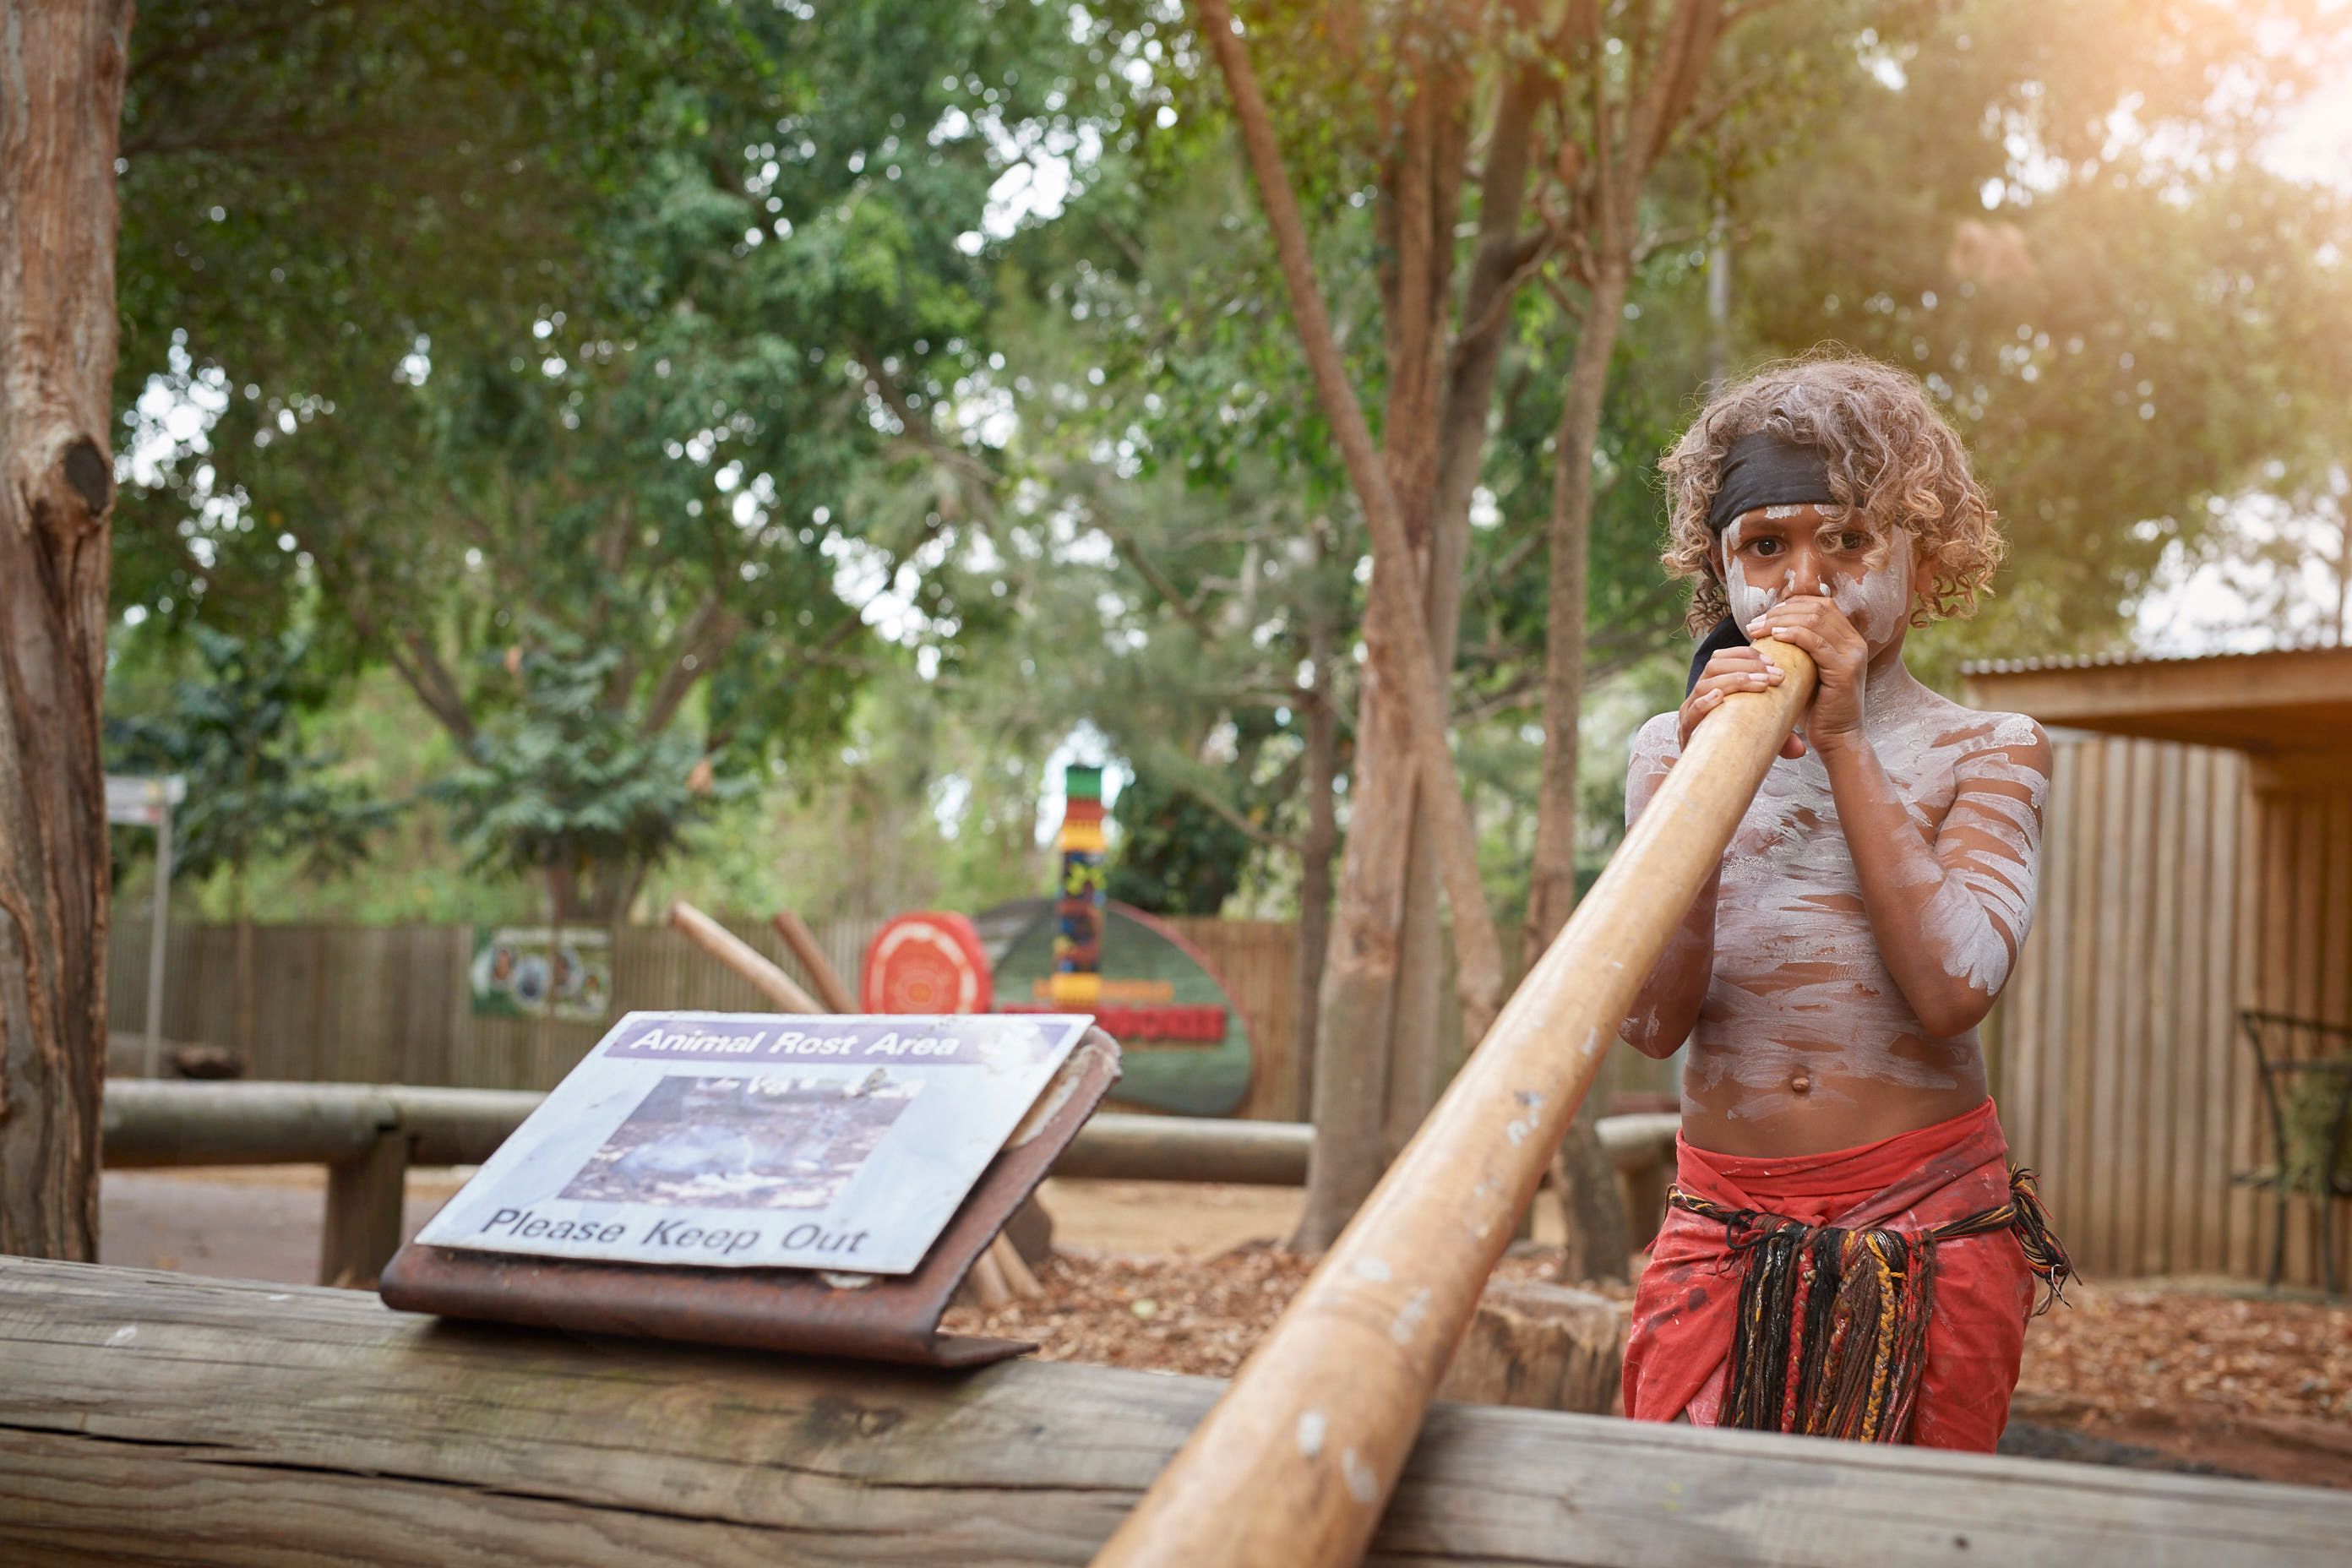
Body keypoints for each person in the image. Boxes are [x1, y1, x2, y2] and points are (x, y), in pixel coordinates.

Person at [1617, 354, 2069, 1451]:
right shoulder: (1667, 754)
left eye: (1848, 541)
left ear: (1928, 555)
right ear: (1719, 569)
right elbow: (1649, 1023)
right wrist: (1696, 791)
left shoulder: (1991, 749)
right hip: (1721, 1221)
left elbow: (1954, 986)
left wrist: (1845, 737)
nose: (1804, 585)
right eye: (1765, 547)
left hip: (1929, 1227)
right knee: (1681, 1516)